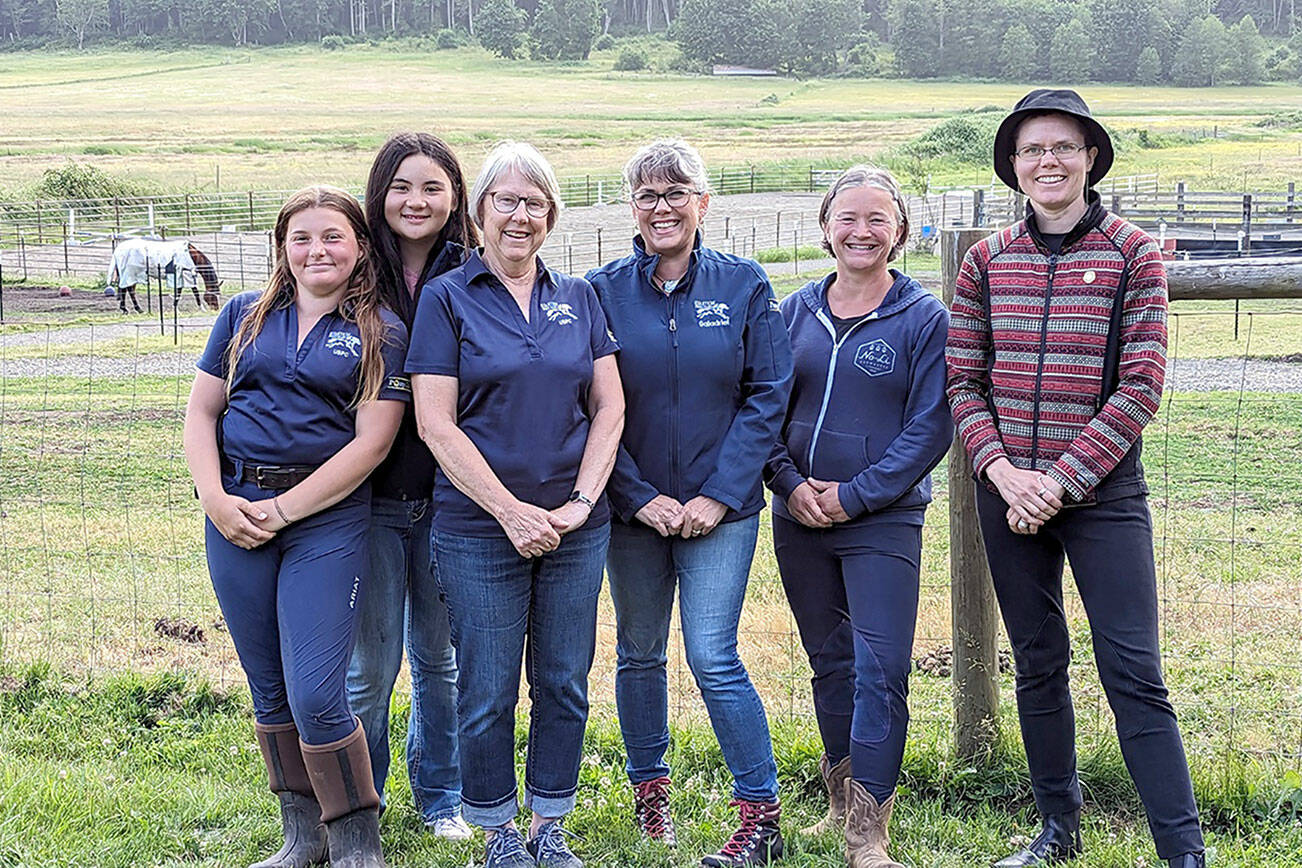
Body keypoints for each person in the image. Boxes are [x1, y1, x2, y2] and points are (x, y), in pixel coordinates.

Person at [945, 89, 1206, 868]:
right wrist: (1002, 473)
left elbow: (1142, 384)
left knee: (1134, 672)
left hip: (1103, 497)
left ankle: (1182, 851)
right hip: (1006, 496)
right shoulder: (987, 261)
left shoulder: (1133, 254)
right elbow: (964, 382)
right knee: (1037, 663)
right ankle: (1058, 830)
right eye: (1032, 149)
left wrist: (1058, 481)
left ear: (1090, 157)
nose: (1048, 161)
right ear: (1014, 165)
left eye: (1063, 146)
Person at [406, 141, 625, 868]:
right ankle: (498, 830)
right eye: (506, 200)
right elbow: (435, 422)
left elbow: (609, 407)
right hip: (477, 530)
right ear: (480, 212)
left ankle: (549, 824)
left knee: (563, 681)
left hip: (575, 529)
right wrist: (509, 511)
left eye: (534, 202)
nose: (520, 216)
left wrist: (581, 502)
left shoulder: (580, 297)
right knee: (487, 688)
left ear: (552, 214)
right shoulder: (447, 298)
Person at [184, 185, 410, 868]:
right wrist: (217, 501)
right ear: (282, 247)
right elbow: (201, 414)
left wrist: (284, 510)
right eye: (301, 237)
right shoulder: (242, 316)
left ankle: (355, 842)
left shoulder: (380, 331)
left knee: (316, 692)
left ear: (360, 247)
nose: (317, 250)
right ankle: (302, 837)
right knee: (270, 687)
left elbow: (372, 443)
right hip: (235, 513)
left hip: (325, 522)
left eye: (333, 236)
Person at [586, 138, 793, 868]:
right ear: (631, 207)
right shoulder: (601, 292)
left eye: (676, 193)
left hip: (721, 513)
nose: (662, 207)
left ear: (704, 202)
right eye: (647, 195)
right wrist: (637, 496)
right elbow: (591, 404)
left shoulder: (744, 284)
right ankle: (651, 799)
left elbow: (767, 395)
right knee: (639, 653)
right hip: (632, 513)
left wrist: (718, 494)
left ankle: (760, 813)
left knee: (712, 655)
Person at [764, 164, 952, 868]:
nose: (861, 231)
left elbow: (930, 427)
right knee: (830, 663)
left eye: (877, 219)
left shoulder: (924, 318)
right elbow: (762, 410)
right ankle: (841, 804)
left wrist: (856, 494)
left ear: (899, 230)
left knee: (881, 668)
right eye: (848, 217)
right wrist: (789, 484)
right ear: (825, 227)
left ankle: (869, 836)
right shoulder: (792, 313)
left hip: (882, 522)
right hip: (799, 518)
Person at [345, 132, 476, 840]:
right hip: (366, 500)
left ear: (455, 196)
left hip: (450, 501)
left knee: (439, 658)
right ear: (380, 194)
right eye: (401, 186)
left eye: (431, 187)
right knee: (370, 667)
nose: (415, 201)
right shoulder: (357, 269)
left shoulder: (477, 271)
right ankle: (360, 801)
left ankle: (442, 797)